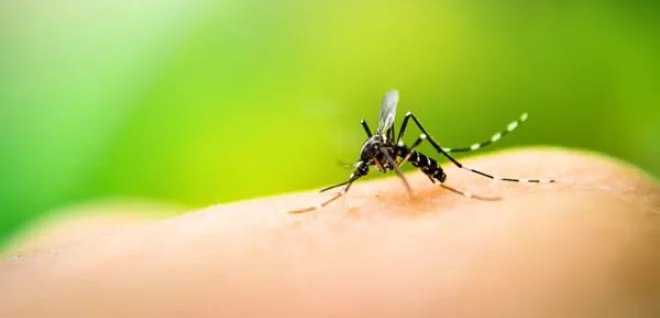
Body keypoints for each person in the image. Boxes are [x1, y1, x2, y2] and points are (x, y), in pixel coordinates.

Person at [1, 148, 659, 317]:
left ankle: (456, 173)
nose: (370, 166)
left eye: (370, 165)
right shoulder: (374, 158)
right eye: (374, 165)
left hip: (444, 172)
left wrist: (428, 178)